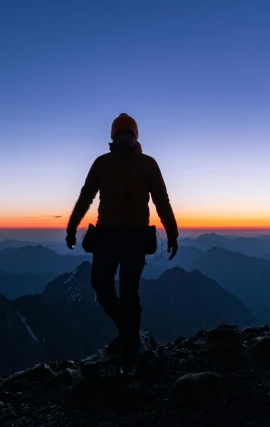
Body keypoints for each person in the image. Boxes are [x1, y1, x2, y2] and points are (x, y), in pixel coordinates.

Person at [66, 113, 179, 374]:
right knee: (99, 283)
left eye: (129, 133)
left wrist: (172, 233)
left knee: (129, 288)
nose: (124, 137)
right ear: (112, 136)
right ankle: (128, 333)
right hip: (105, 235)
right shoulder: (101, 163)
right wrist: (72, 227)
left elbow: (162, 200)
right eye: (119, 133)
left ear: (135, 136)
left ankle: (130, 347)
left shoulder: (148, 164)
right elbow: (85, 197)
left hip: (135, 237)